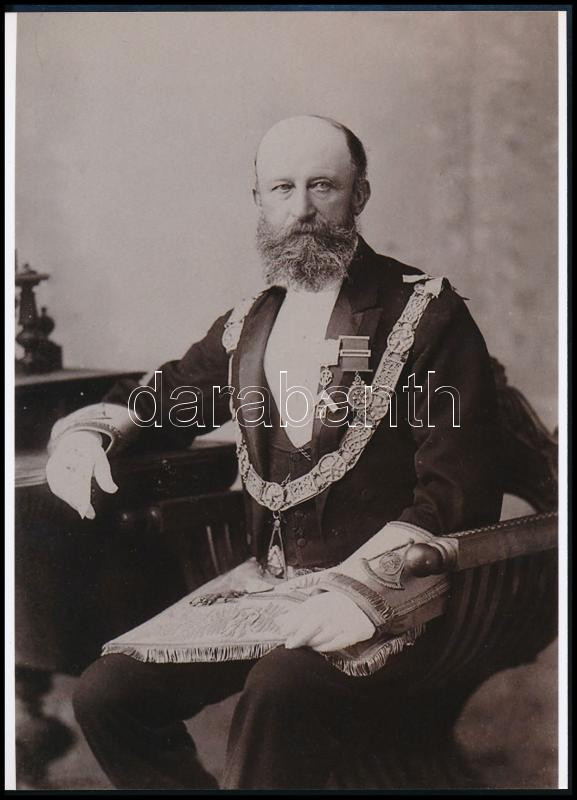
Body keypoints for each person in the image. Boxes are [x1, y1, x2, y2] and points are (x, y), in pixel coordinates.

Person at [45, 115, 503, 790]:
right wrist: (88, 433)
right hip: (268, 590)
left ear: (360, 194)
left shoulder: (425, 314)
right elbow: (165, 400)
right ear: (258, 201)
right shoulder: (247, 324)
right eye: (283, 188)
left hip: (399, 596)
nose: (302, 209)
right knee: (107, 696)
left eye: (323, 186)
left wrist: (366, 593)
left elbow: (460, 488)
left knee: (278, 690)